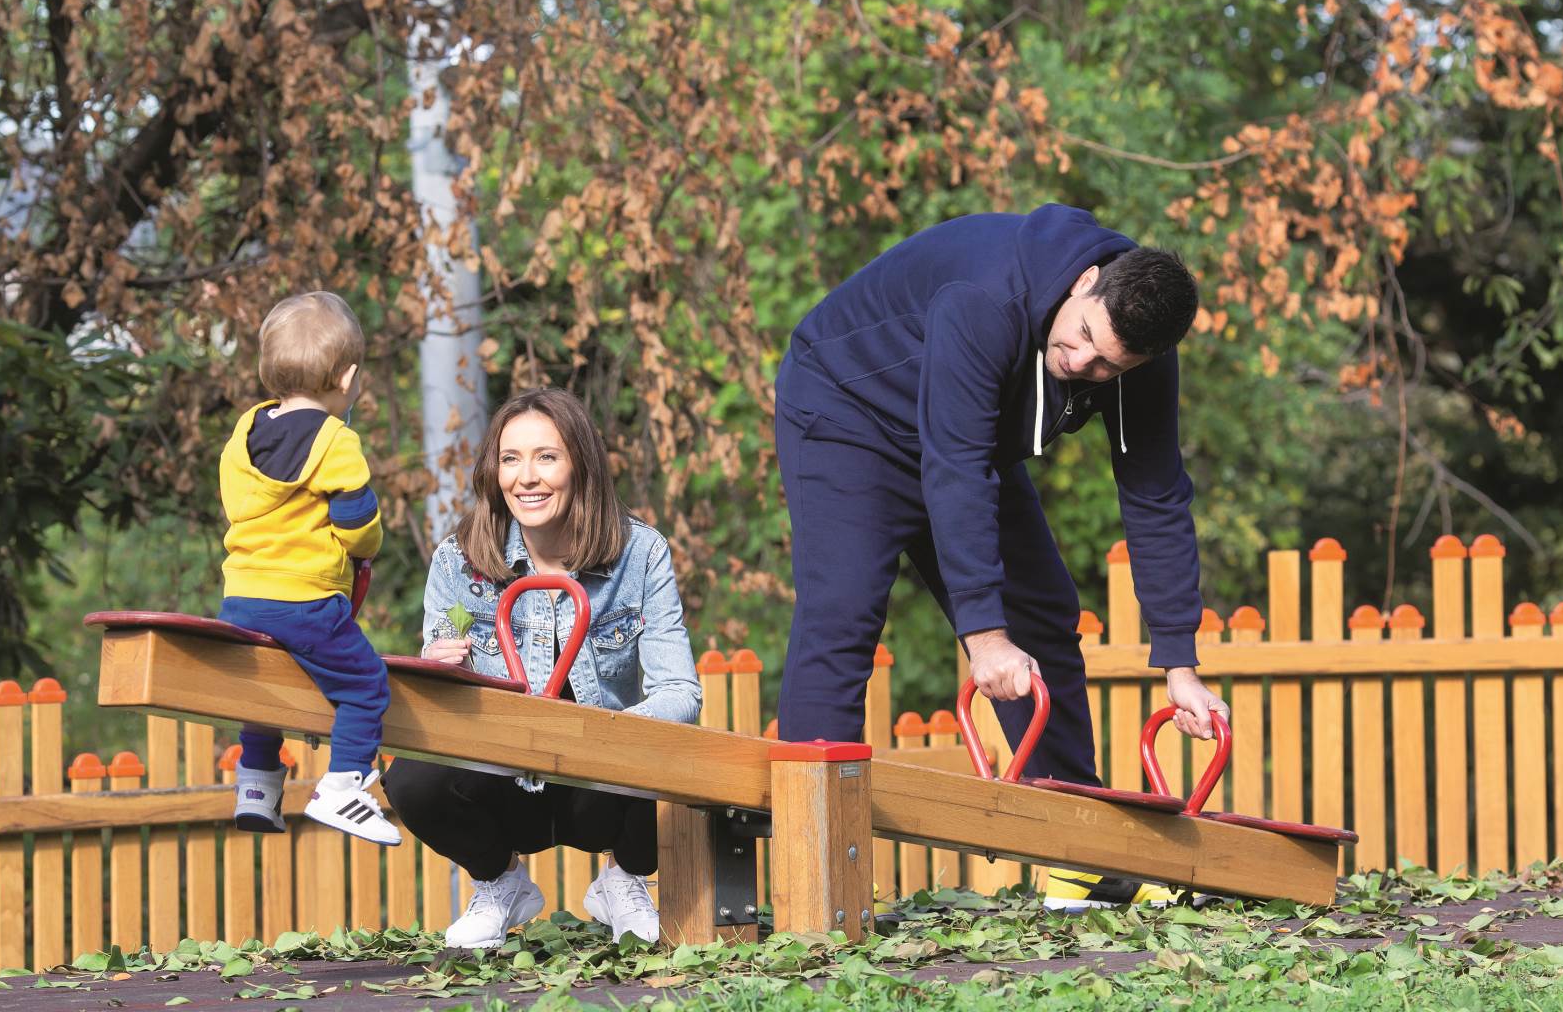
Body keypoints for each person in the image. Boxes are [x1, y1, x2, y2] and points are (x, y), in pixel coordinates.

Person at [772, 204, 1228, 909]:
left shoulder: (1140, 358)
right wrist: (983, 637)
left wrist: (1180, 663)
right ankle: (812, 877)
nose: (1082, 365)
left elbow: (1157, 494)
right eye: (1081, 339)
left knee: (1044, 615)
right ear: (1085, 281)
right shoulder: (987, 296)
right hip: (850, 408)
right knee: (845, 612)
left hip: (962, 431)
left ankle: (1081, 852)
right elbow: (953, 468)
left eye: (1108, 365)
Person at [384, 387, 702, 949]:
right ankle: (499, 882)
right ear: (494, 471)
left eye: (546, 457)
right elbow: (439, 701)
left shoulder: (640, 553)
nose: (526, 477)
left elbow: (680, 692)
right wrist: (436, 669)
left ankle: (624, 879)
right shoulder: (460, 561)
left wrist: (597, 741)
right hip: (504, 781)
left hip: (600, 783)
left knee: (680, 744)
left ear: (580, 464)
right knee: (413, 777)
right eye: (511, 459)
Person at [217, 291, 399, 845]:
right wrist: (368, 544)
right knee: (366, 684)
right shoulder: (337, 441)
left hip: (241, 596)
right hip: (305, 599)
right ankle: (343, 785)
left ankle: (256, 783)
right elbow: (355, 524)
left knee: (264, 689)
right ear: (347, 379)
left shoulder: (242, 436)